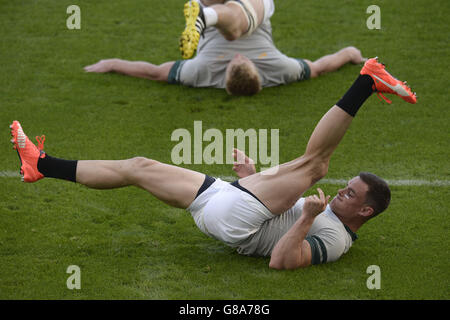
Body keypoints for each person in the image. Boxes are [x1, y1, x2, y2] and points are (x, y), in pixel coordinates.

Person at [10, 58, 416, 269]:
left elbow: (282, 262)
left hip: (237, 220)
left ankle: (368, 79)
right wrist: (253, 178)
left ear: (365, 211)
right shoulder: (330, 215)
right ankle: (42, 165)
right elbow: (279, 218)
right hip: (224, 204)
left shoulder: (336, 241)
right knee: (137, 165)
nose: (341, 193)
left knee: (315, 165)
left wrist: (309, 217)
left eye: (350, 194)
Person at [84, 0, 366, 95]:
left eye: (234, 62)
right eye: (246, 61)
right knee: (236, 30)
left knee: (231, 31)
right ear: (259, 72)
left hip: (212, 4)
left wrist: (113, 63)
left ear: (224, 76)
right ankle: (205, 19)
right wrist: (350, 54)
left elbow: (155, 73)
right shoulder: (281, 70)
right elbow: (318, 68)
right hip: (250, 8)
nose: (239, 56)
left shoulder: (201, 72)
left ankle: (205, 16)